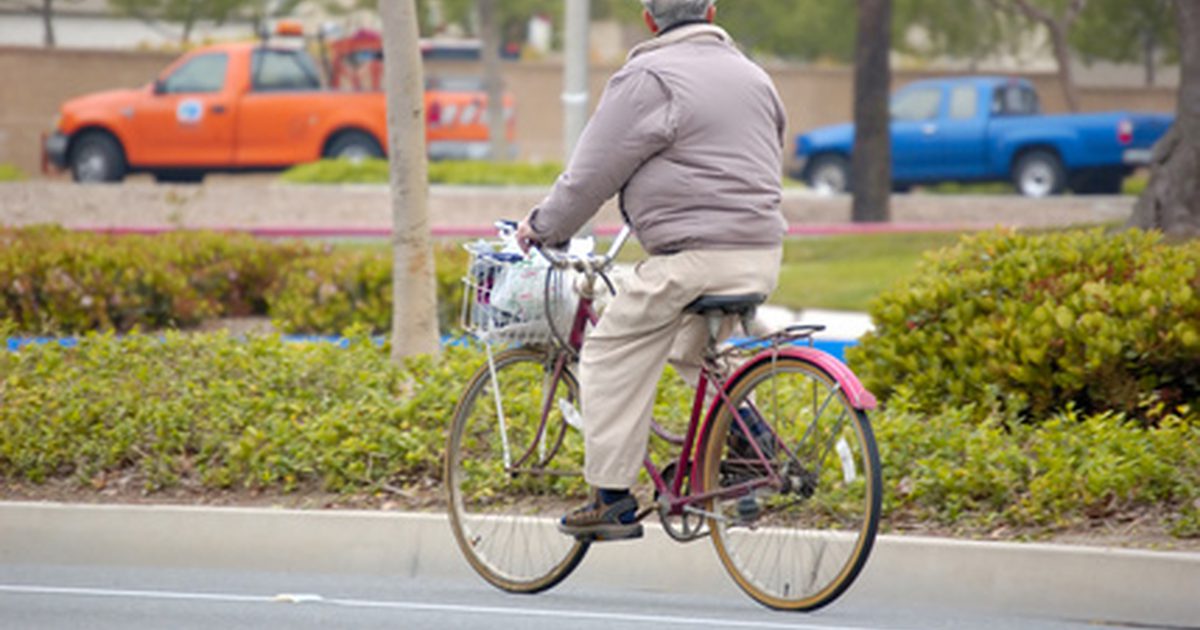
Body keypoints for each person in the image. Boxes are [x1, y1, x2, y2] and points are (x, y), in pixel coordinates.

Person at [515, 0, 788, 541]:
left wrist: (544, 228)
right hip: (761, 252)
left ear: (648, 20)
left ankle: (611, 498)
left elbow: (589, 177)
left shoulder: (648, 78)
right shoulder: (755, 77)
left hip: (693, 259)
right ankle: (752, 443)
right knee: (691, 348)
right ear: (711, 12)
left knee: (609, 349)